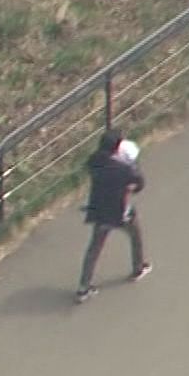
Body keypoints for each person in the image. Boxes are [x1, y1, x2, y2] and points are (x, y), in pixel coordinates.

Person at [76, 129, 151, 303]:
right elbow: (139, 183)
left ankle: (83, 287)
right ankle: (138, 268)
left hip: (99, 211)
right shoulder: (124, 169)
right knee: (135, 236)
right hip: (120, 211)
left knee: (94, 248)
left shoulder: (94, 161)